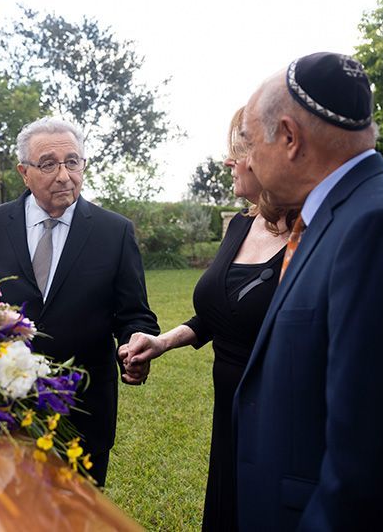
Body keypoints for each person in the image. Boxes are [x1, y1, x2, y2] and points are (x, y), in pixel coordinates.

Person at [233, 52, 383, 531]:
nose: (248, 159)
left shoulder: (380, 225)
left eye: (252, 143)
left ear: (290, 139)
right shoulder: (346, 210)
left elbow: (374, 458)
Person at [120, 107, 296, 531]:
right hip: (229, 404)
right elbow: (221, 313)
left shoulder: (307, 235)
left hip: (277, 410)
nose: (228, 161)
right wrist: (163, 342)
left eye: (238, 151)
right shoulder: (240, 225)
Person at [0, 116, 160, 487]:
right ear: (24, 172)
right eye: (49, 163)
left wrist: (137, 341)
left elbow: (134, 314)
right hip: (0, 406)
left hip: (82, 410)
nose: (64, 175)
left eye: (73, 161)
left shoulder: (114, 232)